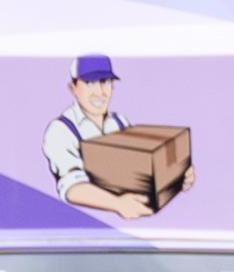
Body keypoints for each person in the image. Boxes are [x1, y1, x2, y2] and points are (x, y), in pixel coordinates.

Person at [43, 54, 158, 217]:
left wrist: (173, 177)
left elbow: (139, 168)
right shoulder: (59, 131)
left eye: (105, 82)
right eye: (90, 83)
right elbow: (71, 187)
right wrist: (118, 204)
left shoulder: (121, 122)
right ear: (73, 87)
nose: (100, 92)